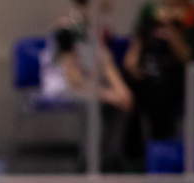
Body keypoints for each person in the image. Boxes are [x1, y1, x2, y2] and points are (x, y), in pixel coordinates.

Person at [43, 0, 132, 170]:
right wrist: (107, 94)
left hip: (87, 84)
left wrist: (121, 89)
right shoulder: (67, 30)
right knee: (94, 104)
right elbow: (73, 79)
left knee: (121, 103)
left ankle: (110, 160)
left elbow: (106, 63)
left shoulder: (95, 29)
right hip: (64, 86)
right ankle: (88, 163)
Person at [122, 0, 194, 157]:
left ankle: (162, 152)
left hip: (176, 77)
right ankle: (133, 156)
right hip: (147, 73)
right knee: (130, 90)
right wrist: (133, 68)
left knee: (159, 93)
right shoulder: (149, 11)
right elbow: (134, 50)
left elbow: (189, 59)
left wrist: (171, 32)